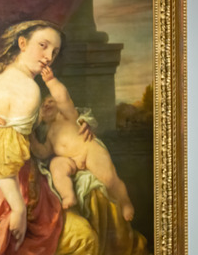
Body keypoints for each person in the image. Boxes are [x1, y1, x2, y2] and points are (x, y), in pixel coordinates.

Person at [0, 20, 99, 255]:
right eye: (43, 46)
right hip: (4, 181)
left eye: (54, 51)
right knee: (83, 238)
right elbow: (2, 156)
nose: (48, 57)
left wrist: (79, 122)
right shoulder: (27, 89)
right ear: (22, 43)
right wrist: (18, 208)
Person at [31, 66, 135, 221]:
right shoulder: (48, 134)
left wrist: (51, 82)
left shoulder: (68, 116)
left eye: (50, 101)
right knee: (55, 165)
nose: (46, 104)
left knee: (109, 178)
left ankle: (125, 202)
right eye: (43, 105)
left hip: (89, 150)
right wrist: (31, 136)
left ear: (59, 106)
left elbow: (63, 97)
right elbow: (42, 152)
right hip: (71, 160)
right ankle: (68, 196)